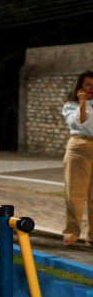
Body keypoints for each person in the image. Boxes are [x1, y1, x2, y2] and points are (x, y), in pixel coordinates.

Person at [62, 70, 93, 246]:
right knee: (75, 193)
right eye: (88, 84)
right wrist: (82, 102)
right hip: (79, 146)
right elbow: (79, 122)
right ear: (80, 86)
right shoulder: (71, 105)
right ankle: (72, 233)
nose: (91, 88)